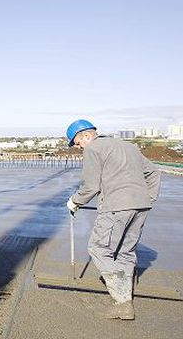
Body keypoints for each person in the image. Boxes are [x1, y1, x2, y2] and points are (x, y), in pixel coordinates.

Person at [66, 119, 160, 320]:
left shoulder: (93, 149)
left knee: (99, 249)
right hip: (141, 206)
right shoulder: (128, 146)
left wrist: (75, 201)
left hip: (116, 207)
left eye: (76, 142)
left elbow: (91, 186)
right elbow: (153, 172)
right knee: (126, 251)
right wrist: (148, 197)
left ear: (85, 136)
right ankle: (125, 296)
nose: (78, 147)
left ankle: (123, 303)